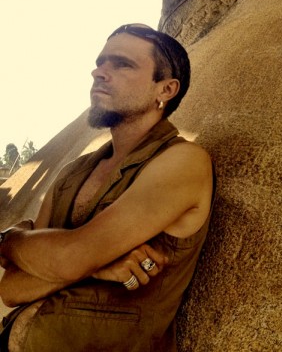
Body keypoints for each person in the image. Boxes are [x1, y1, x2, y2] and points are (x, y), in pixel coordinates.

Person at [0, 24, 214, 351]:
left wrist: (10, 240)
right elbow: (11, 288)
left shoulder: (183, 162)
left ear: (166, 90)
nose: (98, 72)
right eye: (101, 62)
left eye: (122, 64)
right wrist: (98, 265)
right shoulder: (73, 173)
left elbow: (70, 257)